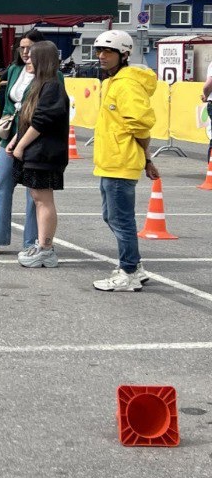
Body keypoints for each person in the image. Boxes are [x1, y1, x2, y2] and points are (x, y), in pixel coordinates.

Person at [90, 29, 158, 292]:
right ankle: (134, 266)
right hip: (110, 160)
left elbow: (141, 123)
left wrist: (146, 158)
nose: (101, 56)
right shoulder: (112, 82)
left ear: (124, 54)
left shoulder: (127, 84)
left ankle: (129, 271)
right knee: (112, 216)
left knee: (121, 219)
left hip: (120, 160)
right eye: (99, 51)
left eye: (108, 51)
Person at [8, 41, 70, 268]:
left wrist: (21, 145)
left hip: (45, 154)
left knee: (43, 200)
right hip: (37, 152)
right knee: (38, 199)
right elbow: (27, 118)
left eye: (32, 56)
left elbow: (42, 121)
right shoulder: (39, 85)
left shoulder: (52, 86)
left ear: (43, 60)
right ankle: (43, 246)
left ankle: (46, 248)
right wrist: (16, 140)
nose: (27, 59)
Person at [0, 30, 43, 255]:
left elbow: (46, 112)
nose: (26, 52)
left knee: (34, 193)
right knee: (1, 185)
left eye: (30, 47)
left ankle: (31, 242)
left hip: (35, 139)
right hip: (10, 136)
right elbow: (9, 106)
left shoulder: (50, 74)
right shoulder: (15, 69)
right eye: (23, 48)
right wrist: (0, 131)